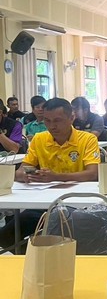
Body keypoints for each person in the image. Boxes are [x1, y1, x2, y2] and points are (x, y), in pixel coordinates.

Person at [0, 98, 100, 251]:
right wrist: (26, 176)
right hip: (44, 203)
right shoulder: (39, 139)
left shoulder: (87, 139)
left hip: (79, 204)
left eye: (57, 120)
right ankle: (37, 259)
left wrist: (56, 176)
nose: (52, 126)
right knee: (5, 236)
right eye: (47, 120)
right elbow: (20, 171)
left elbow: (93, 173)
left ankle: (53, 256)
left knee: (69, 236)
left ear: (72, 118)